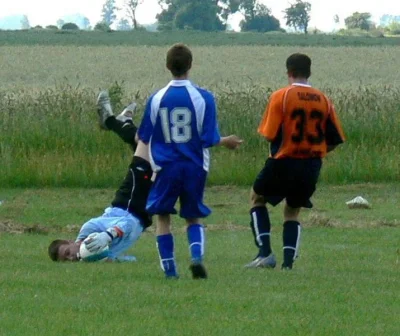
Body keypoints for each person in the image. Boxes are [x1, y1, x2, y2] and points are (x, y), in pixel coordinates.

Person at [138, 43, 243, 279]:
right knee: (192, 215)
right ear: (191, 65)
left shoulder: (156, 98)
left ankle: (170, 270)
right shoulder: (204, 97)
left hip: (166, 167)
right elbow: (208, 138)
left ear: (167, 66)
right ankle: (196, 257)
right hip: (195, 166)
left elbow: (143, 135)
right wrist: (225, 141)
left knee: (162, 217)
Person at [246, 53, 345, 270]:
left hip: (284, 160)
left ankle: (265, 254)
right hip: (311, 164)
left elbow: (269, 134)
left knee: (257, 197)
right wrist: (316, 150)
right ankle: (288, 265)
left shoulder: (281, 96)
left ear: (289, 72)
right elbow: (335, 139)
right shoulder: (323, 99)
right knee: (292, 210)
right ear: (309, 72)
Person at [48, 91, 153, 262]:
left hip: (129, 203)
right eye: (67, 261)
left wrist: (108, 235)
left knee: (148, 143)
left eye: (68, 253)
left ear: (70, 241)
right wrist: (111, 260)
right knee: (151, 152)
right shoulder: (91, 256)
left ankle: (113, 122)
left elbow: (126, 225)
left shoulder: (89, 231)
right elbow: (131, 259)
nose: (72, 258)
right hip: (142, 213)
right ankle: (119, 122)